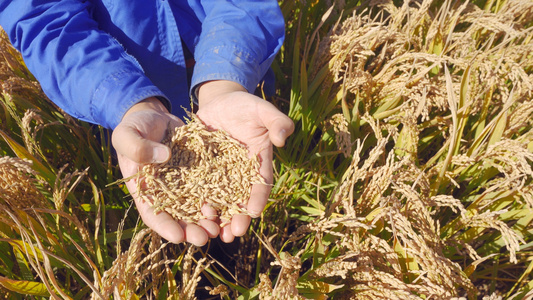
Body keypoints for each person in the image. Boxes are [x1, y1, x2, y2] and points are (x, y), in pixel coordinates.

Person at [0, 1, 294, 246]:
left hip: (236, 72)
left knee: (232, 227)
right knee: (175, 230)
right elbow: (44, 18)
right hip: (120, 98)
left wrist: (225, 80)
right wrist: (128, 102)